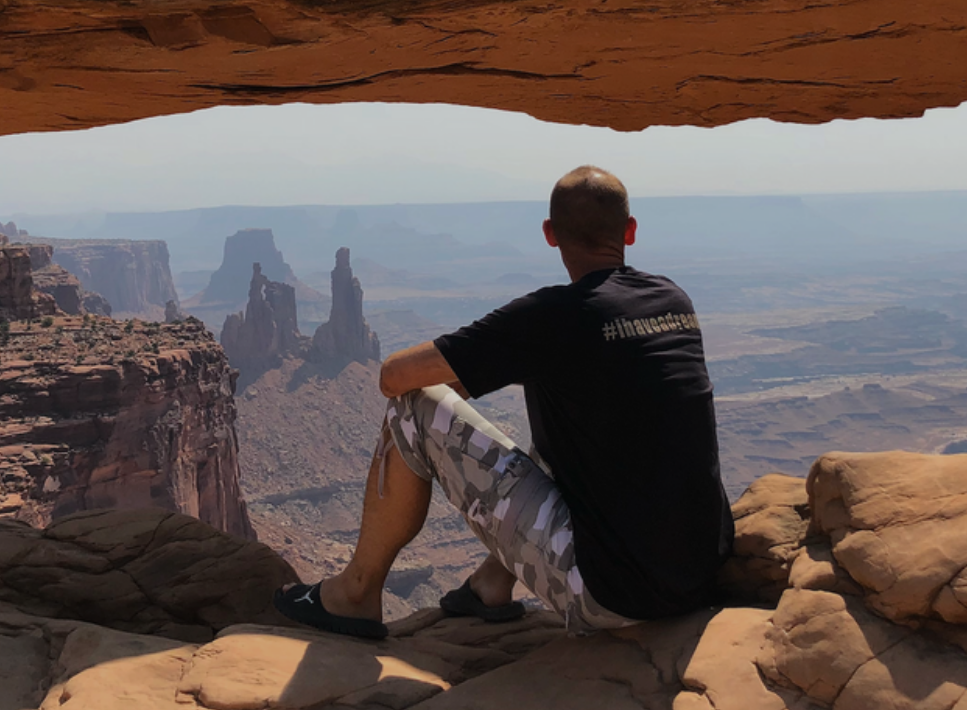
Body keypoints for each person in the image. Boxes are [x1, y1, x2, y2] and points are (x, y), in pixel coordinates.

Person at [274, 165, 733, 638]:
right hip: (700, 576)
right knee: (570, 423)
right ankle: (491, 583)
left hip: (612, 597)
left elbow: (395, 377)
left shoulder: (550, 317)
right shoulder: (672, 299)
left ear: (550, 234)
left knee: (414, 406)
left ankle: (354, 593)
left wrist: (478, 371)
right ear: (630, 231)